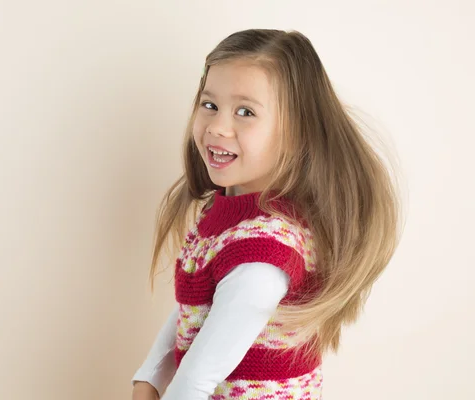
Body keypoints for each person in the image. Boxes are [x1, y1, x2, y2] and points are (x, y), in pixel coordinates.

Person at [131, 29, 402, 400]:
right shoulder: (232, 220)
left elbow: (197, 378)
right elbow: (194, 310)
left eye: (245, 112)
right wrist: (148, 377)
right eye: (210, 104)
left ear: (295, 133)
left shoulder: (264, 252)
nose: (217, 127)